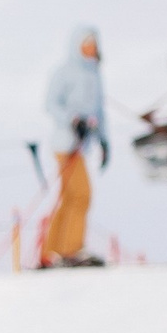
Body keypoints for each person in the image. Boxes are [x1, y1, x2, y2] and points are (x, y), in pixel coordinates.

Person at [44, 25, 109, 268]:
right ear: (77, 45)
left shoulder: (95, 75)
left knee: (70, 196)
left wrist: (104, 141)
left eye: (94, 44)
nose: (91, 48)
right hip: (66, 143)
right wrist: (73, 119)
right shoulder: (65, 72)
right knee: (81, 194)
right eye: (86, 44)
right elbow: (51, 103)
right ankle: (71, 249)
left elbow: (100, 113)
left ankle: (53, 250)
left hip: (84, 145)